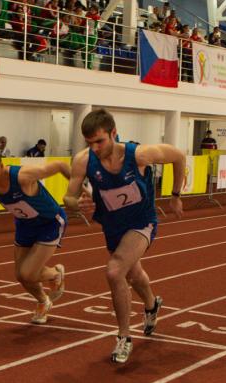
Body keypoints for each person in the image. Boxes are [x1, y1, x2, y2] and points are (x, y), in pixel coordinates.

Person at [64, 109, 185, 364]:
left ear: (114, 133)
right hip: (112, 226)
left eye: (100, 141)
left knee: (115, 271)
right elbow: (69, 197)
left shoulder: (138, 154)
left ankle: (123, 337)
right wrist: (79, 205)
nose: (95, 148)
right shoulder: (83, 161)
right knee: (133, 274)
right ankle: (152, 304)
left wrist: (175, 195)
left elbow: (178, 155)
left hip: (141, 223)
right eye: (90, 143)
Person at [0, 148, 68, 324]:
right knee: (20, 276)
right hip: (24, 224)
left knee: (28, 273)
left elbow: (60, 165)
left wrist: (80, 189)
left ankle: (55, 274)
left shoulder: (23, 176)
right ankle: (44, 302)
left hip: (49, 222)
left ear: (1, 166)